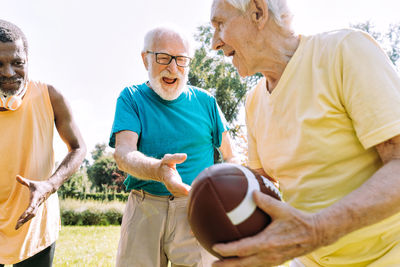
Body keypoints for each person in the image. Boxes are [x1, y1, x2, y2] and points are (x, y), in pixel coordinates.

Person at [209, 0, 400, 266]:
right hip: (308, 260)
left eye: (220, 25)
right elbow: (262, 187)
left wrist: (315, 230)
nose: (214, 43)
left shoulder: (344, 51)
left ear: (257, 12)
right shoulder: (253, 101)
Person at [110, 26, 237, 267]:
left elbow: (231, 157)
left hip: (197, 209)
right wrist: (159, 169)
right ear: (145, 58)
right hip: (144, 206)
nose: (172, 67)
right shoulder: (131, 97)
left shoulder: (206, 101)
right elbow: (124, 153)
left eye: (181, 59)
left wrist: (232, 190)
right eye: (163, 57)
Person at [0, 20, 86, 266]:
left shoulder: (50, 96)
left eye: (17, 63)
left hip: (35, 225)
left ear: (27, 60)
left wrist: (50, 184)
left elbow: (78, 147)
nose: (8, 72)